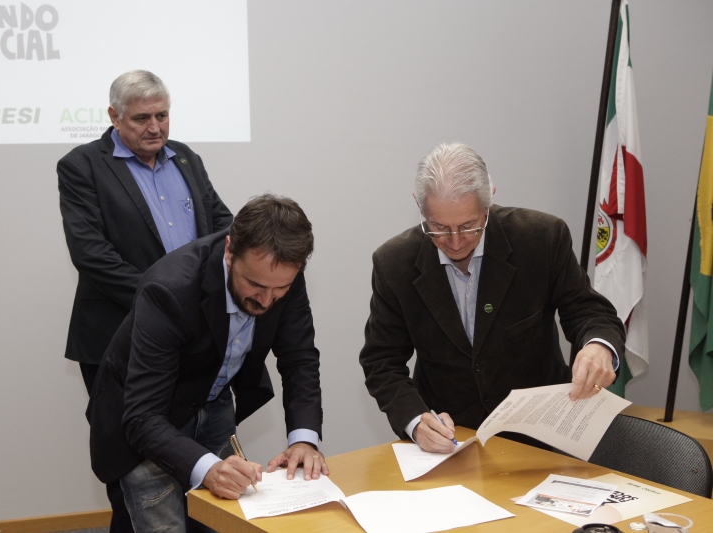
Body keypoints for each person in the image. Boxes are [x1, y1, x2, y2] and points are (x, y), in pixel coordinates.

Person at [359, 142, 626, 455]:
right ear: (419, 205)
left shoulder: (540, 238)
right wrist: (416, 421)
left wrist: (598, 346)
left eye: (469, 225)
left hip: (541, 440)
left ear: (489, 202)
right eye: (439, 228)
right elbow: (382, 362)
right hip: (453, 443)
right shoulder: (394, 263)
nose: (456, 242)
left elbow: (590, 313)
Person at [87, 194, 327, 533]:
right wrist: (208, 468)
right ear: (229, 251)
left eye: (279, 290)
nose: (266, 300)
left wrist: (303, 439)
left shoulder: (281, 275)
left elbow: (299, 358)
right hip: (143, 418)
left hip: (212, 401)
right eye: (254, 285)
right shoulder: (168, 289)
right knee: (160, 524)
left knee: (219, 521)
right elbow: (142, 415)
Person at [57, 70, 232, 532]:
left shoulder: (187, 159)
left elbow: (222, 226)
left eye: (162, 115)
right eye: (141, 118)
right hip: (118, 339)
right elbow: (91, 255)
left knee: (195, 455)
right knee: (132, 466)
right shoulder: (82, 166)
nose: (154, 127)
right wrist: (170, 301)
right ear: (114, 117)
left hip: (189, 339)